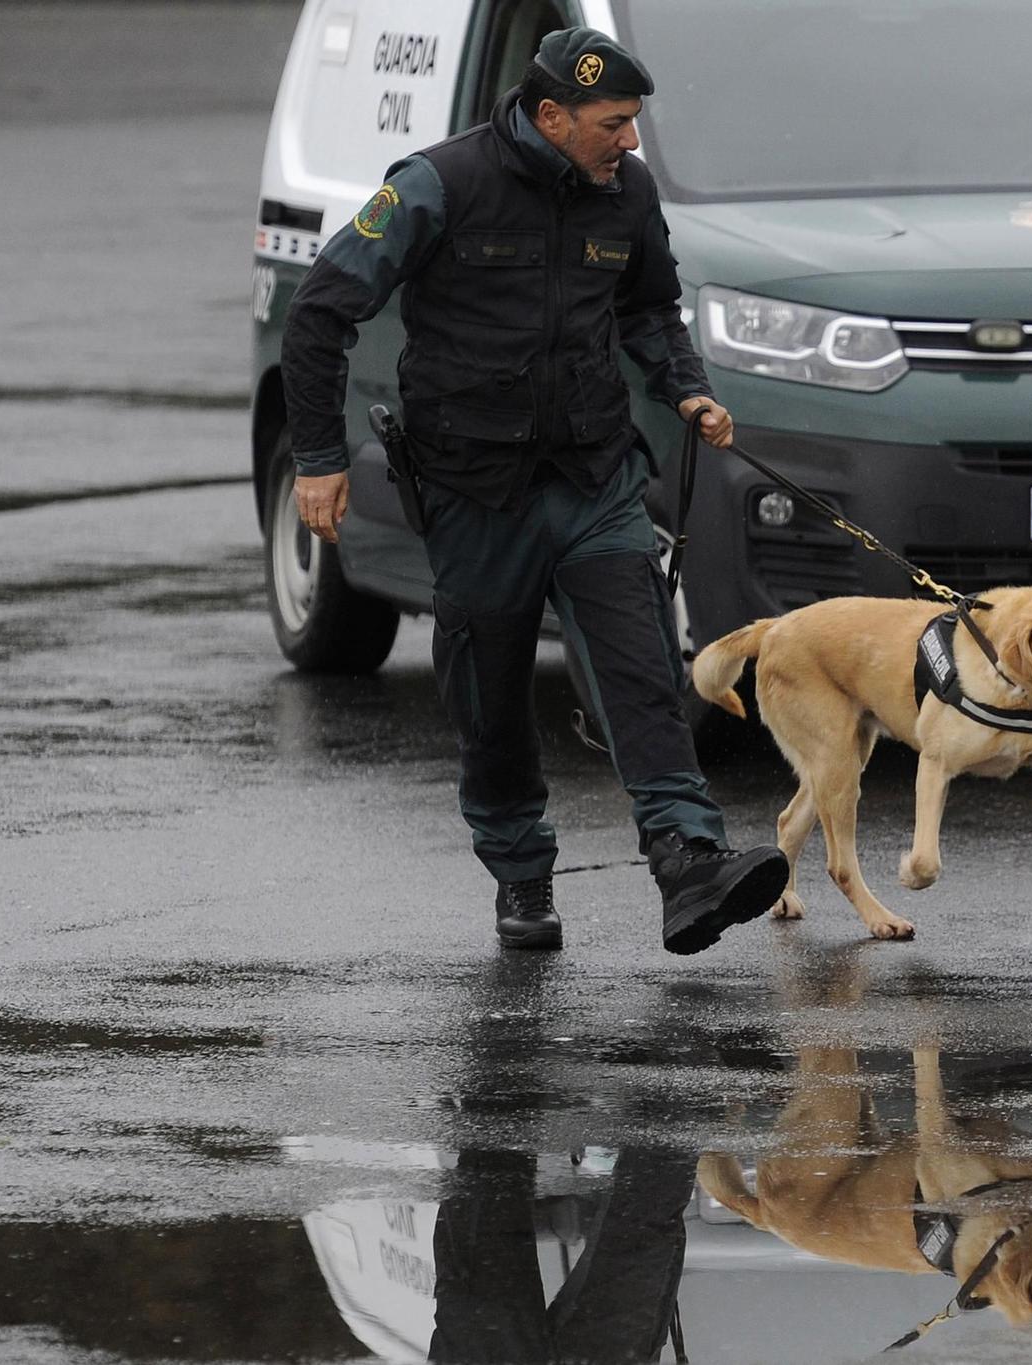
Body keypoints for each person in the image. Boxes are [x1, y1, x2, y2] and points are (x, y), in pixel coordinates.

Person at [279, 27, 787, 954]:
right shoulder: (438, 185)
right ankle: (520, 874)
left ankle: (688, 860)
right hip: (476, 491)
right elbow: (320, 314)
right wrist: (318, 458)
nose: (630, 144)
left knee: (641, 665)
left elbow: (648, 307)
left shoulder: (625, 193)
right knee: (493, 693)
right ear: (551, 116)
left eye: (635, 123)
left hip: (592, 475)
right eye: (614, 124)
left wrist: (686, 384)